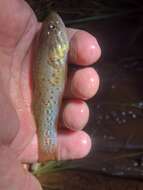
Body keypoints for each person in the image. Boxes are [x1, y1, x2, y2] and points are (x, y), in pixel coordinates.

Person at [0, 0, 101, 189]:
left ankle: (46, 148)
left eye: (53, 27)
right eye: (53, 28)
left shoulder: (55, 50)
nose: (57, 24)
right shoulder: (53, 49)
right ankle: (46, 149)